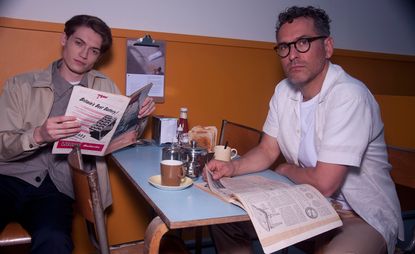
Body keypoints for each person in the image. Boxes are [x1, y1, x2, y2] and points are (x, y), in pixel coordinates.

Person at [205, 6, 404, 254]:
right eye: (284, 47)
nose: (292, 55)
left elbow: (324, 183)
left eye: (303, 43)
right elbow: (268, 150)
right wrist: (232, 167)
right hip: (307, 203)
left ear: (328, 47)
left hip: (358, 216)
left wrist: (286, 168)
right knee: (223, 223)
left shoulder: (349, 96)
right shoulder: (283, 91)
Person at [0, 15, 155, 254]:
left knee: (55, 240)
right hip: (9, 177)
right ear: (64, 39)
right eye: (79, 43)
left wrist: (139, 116)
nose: (84, 55)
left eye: (93, 50)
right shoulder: (20, 85)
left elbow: (119, 136)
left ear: (99, 56)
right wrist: (38, 134)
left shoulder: (105, 86)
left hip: (57, 188)